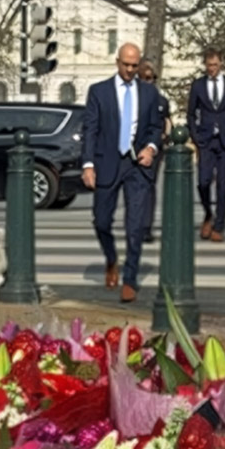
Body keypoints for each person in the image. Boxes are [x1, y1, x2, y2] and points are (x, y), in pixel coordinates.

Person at [82, 43, 163, 302]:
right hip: (107, 162)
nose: (129, 70)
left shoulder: (149, 93)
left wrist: (151, 148)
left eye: (134, 65)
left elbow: (156, 127)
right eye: (126, 64)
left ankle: (130, 278)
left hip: (137, 165)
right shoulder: (99, 92)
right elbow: (90, 130)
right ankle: (111, 258)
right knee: (101, 221)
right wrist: (88, 165)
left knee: (135, 225)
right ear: (117, 62)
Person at [186, 47, 225, 242]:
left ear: (221, 64)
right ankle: (208, 213)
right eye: (209, 65)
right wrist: (195, 136)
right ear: (205, 65)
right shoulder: (198, 85)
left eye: (215, 65)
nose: (212, 68)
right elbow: (191, 113)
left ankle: (219, 225)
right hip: (206, 140)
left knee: (223, 184)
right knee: (203, 181)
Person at [137, 59, 170, 242]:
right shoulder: (132, 98)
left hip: (154, 148)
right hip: (134, 148)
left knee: (149, 186)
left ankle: (146, 227)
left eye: (151, 78)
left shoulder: (161, 101)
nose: (149, 82)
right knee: (135, 187)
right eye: (145, 78)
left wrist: (165, 137)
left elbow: (167, 122)